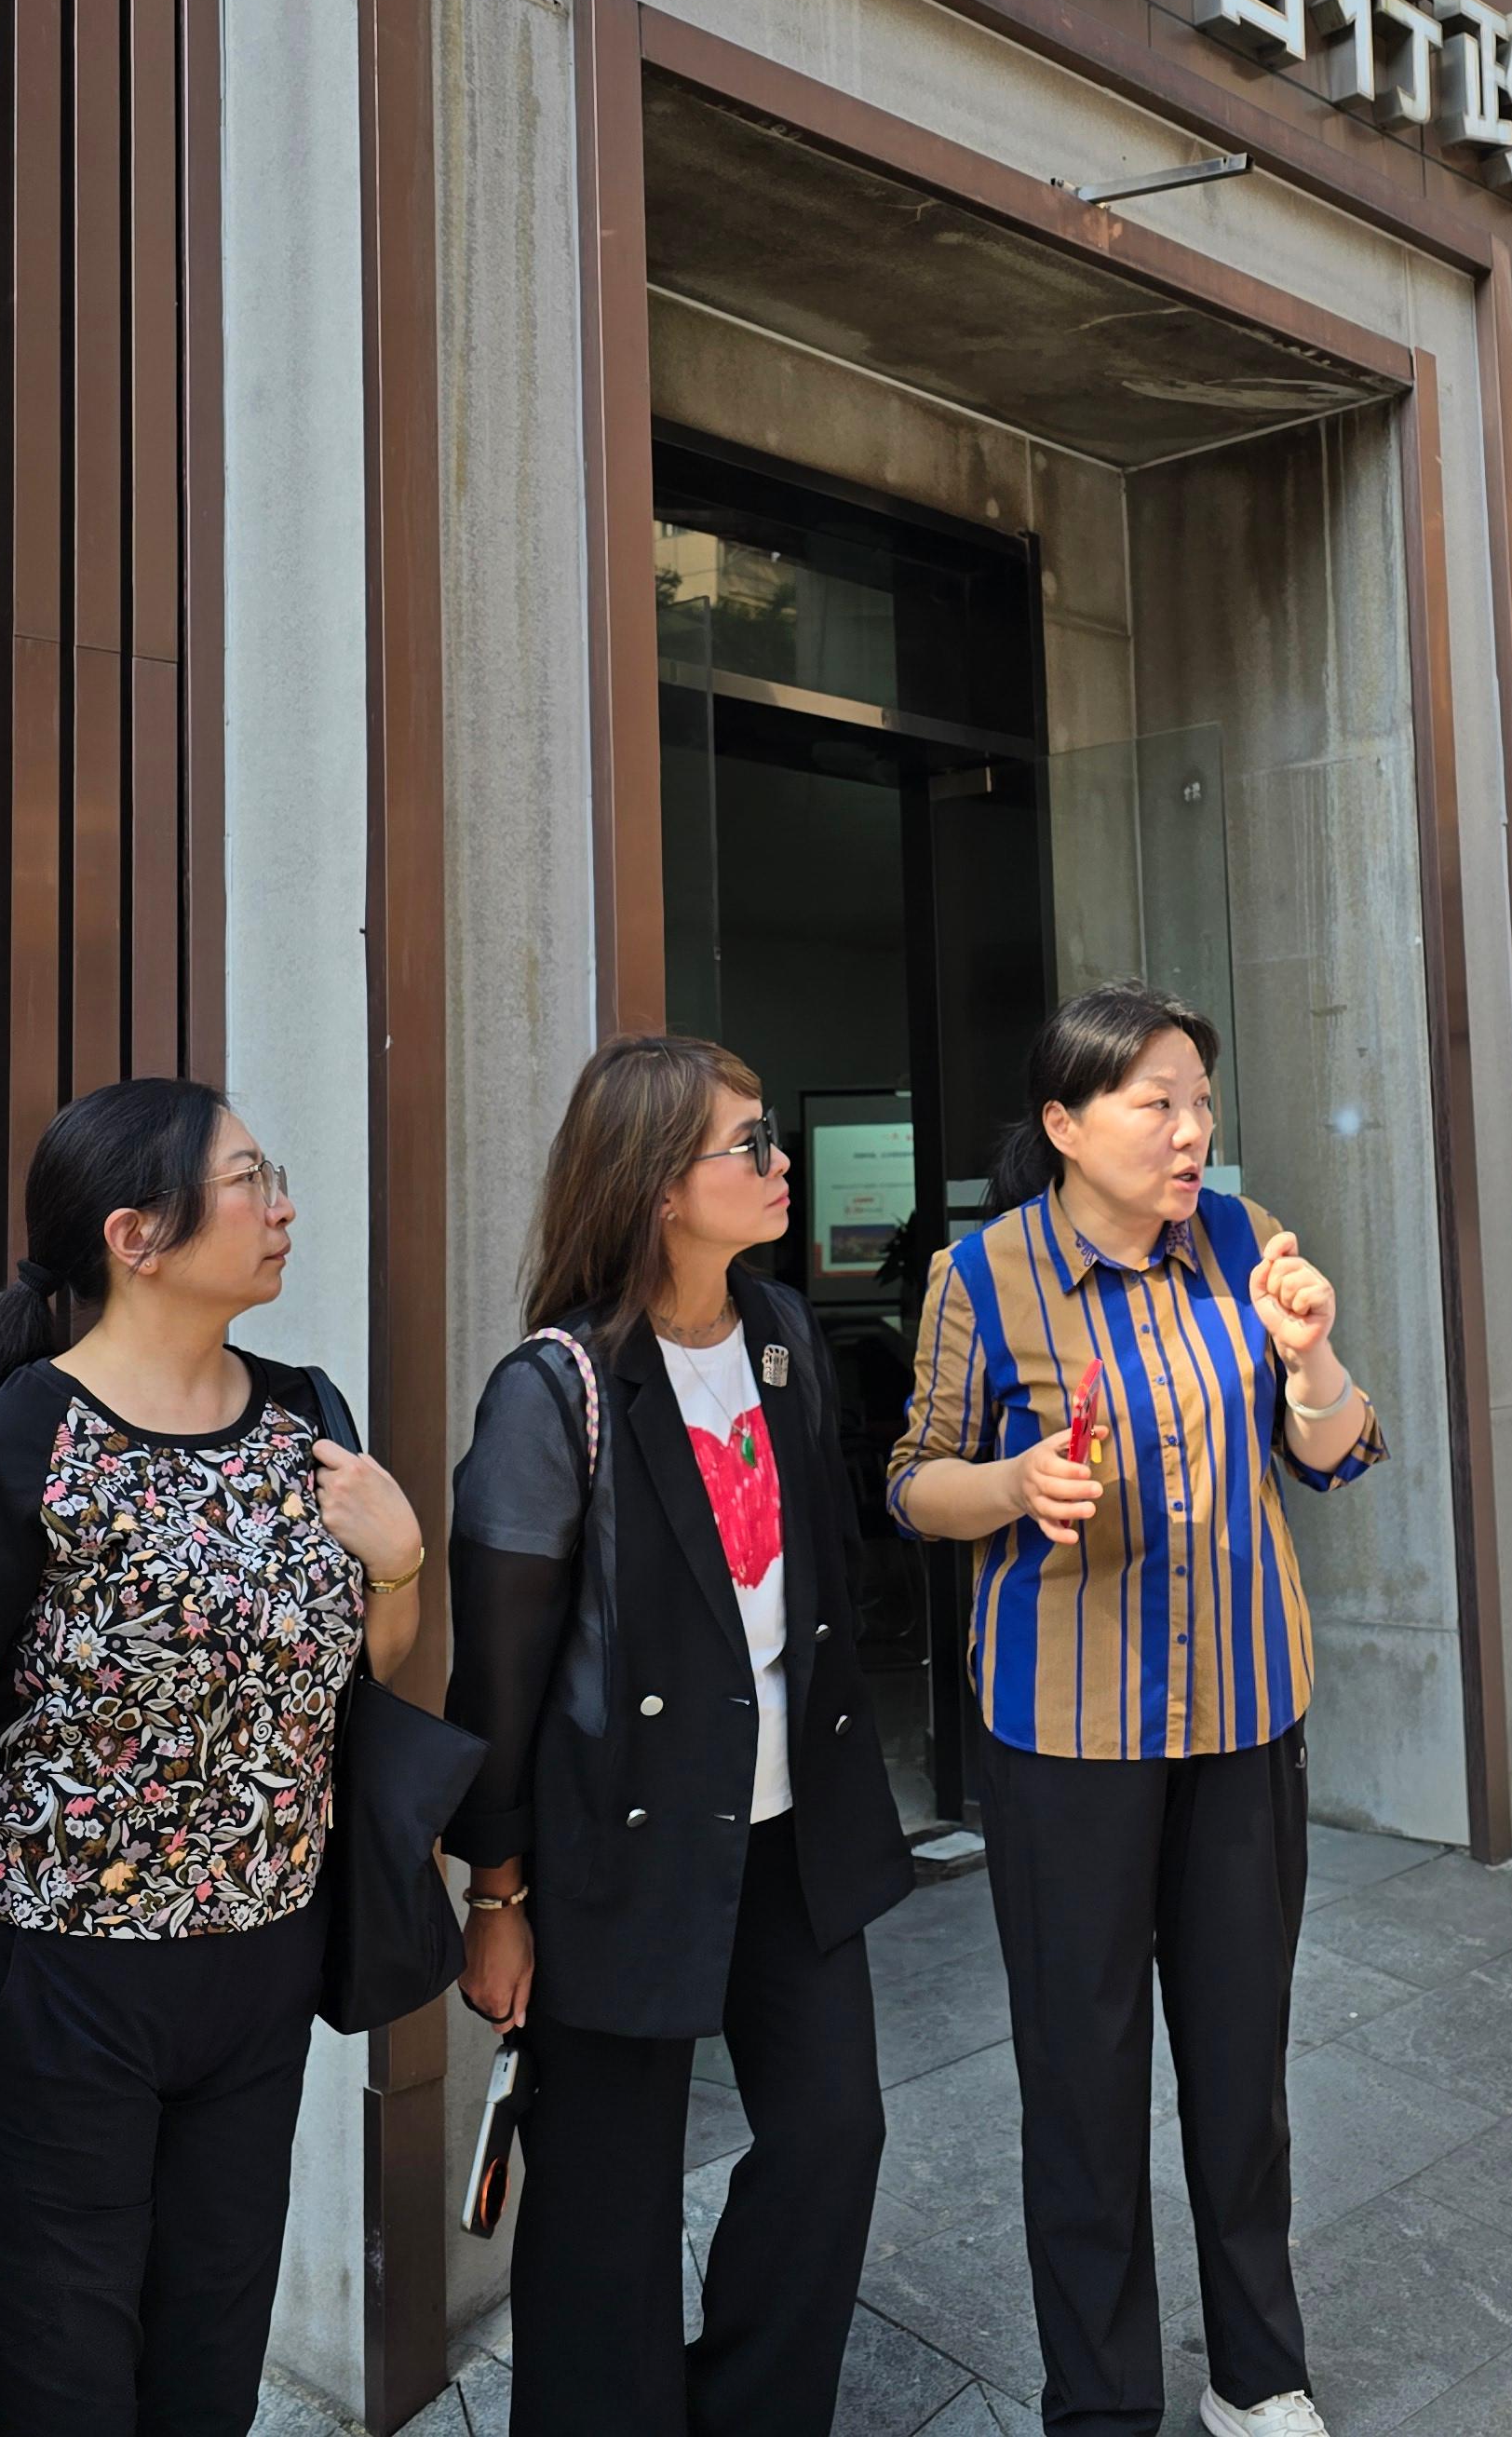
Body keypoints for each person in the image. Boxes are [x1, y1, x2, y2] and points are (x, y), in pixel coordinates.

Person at [0, 1076, 428, 2437]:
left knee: (204, 2379)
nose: (284, 1208)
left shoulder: (307, 1419)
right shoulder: (15, 1450)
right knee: (58, 2389)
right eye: (248, 1181)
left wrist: (400, 1564)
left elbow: (364, 1689)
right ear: (134, 1237)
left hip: (259, 1975)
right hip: (48, 1995)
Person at [887, 981, 1382, 2437]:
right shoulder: (980, 1277)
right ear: (1063, 1124)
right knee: (1082, 2082)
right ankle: (1099, 2404)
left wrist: (1314, 1359)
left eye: (1203, 1105)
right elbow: (914, 1477)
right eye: (1157, 1103)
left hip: (1242, 1723)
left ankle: (1258, 2374)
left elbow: (1341, 1458)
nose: (1192, 1134)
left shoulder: (1242, 1241)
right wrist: (1012, 1487)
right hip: (1065, 1743)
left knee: (1243, 2067)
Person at [443, 1034, 911, 2436]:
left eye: (774, 1138)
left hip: (790, 1835)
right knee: (605, 2200)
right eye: (750, 1145)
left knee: (835, 2136)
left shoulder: (779, 1336)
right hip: (617, 1850)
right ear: (657, 1184)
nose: (779, 1166)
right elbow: (503, 1681)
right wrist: (498, 1894)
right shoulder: (558, 1390)